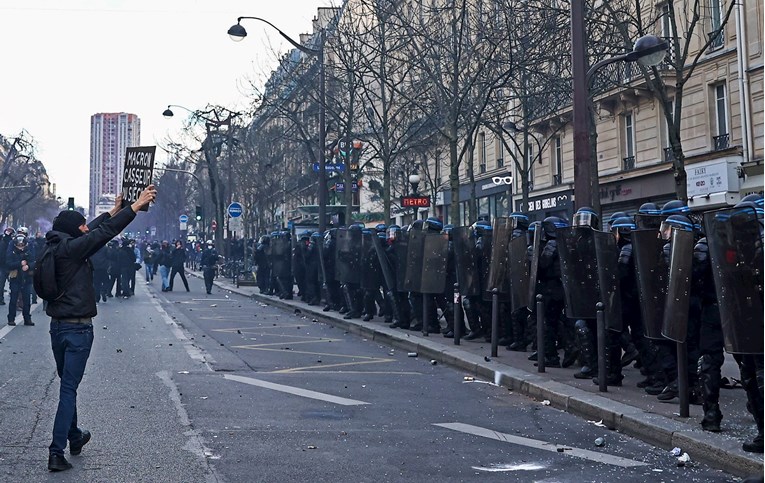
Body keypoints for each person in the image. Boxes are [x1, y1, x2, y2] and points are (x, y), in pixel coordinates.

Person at [44, 186, 156, 472]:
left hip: (56, 328)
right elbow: (101, 234)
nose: (85, 226)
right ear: (73, 229)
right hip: (78, 329)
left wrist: (114, 209)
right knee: (68, 389)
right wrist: (134, 208)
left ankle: (74, 436)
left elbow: (90, 231)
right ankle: (57, 452)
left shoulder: (56, 246)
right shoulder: (74, 249)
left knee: (68, 385)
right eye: (81, 223)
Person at [6, 232, 35, 325]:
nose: (20, 246)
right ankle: (11, 319)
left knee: (27, 301)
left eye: (22, 245)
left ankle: (27, 319)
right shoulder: (12, 252)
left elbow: (34, 262)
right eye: (19, 245)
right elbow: (8, 264)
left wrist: (28, 266)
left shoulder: (28, 251)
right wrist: (20, 264)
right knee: (13, 300)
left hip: (27, 279)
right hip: (15, 278)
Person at [0, 227, 15, 305]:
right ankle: (0, 299)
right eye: (7, 230)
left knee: (13, 282)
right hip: (3, 265)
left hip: (9, 264)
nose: (8, 232)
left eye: (10, 231)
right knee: (1, 283)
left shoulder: (11, 241)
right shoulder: (3, 239)